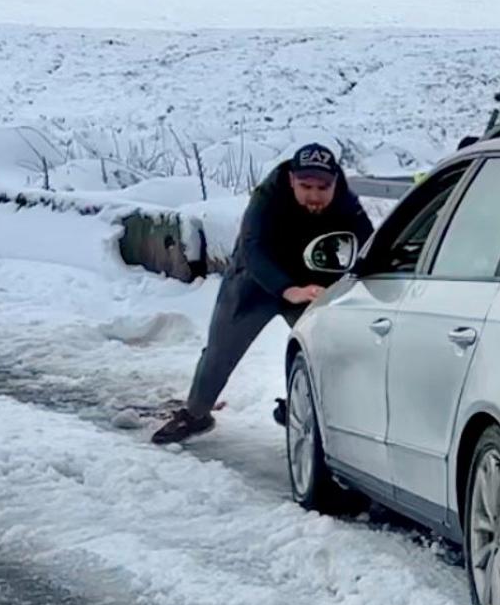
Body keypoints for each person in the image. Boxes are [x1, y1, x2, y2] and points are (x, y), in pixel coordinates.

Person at [152, 143, 373, 444]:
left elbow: (368, 239)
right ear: (292, 180)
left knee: (327, 348)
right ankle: (196, 414)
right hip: (252, 281)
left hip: (310, 281)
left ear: (335, 183)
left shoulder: (345, 201)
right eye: (305, 186)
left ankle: (300, 408)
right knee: (220, 351)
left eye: (323, 187)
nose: (314, 195)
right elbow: (252, 246)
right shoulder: (268, 196)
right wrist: (286, 289)